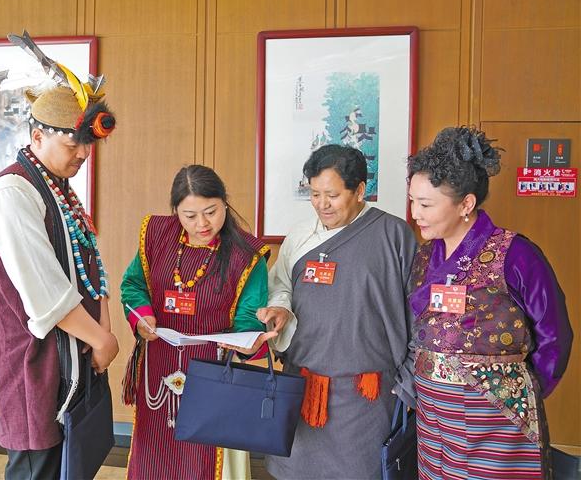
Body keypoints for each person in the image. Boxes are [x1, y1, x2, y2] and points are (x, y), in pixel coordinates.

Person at [407, 126, 573, 479]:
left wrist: (514, 391)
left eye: (425, 204)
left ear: (465, 204)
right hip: (434, 415)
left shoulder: (516, 254)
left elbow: (555, 336)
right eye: (412, 201)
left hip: (496, 415)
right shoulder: (424, 255)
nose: (415, 213)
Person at [0, 65, 120, 478]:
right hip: (34, 361)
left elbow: (90, 264)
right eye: (73, 144)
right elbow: (45, 292)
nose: (83, 154)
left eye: (88, 145)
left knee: (69, 467)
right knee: (37, 469)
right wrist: (101, 339)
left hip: (74, 354)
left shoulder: (59, 187)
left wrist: (103, 328)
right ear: (37, 136)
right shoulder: (12, 192)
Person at [258, 144, 418, 479]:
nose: (322, 204)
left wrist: (408, 380)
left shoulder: (393, 235)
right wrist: (280, 309)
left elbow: (418, 310)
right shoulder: (301, 236)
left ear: (359, 190)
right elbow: (280, 286)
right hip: (303, 386)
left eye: (332, 195)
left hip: (367, 394)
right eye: (314, 194)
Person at [120, 164, 276, 480]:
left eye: (211, 212)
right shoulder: (157, 235)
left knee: (204, 459)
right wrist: (142, 317)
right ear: (175, 210)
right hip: (159, 363)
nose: (202, 224)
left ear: (225, 203)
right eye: (189, 216)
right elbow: (133, 285)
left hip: (214, 371)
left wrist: (247, 343)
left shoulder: (246, 255)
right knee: (154, 454)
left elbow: (248, 319)